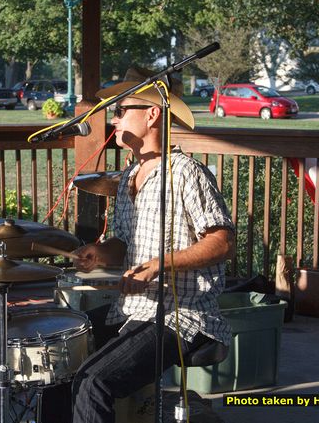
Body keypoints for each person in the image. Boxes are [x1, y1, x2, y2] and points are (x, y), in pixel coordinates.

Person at [71, 71, 235, 423]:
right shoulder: (130, 175)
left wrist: (160, 263)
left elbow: (223, 242)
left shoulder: (187, 173)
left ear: (152, 114)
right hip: (132, 307)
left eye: (120, 109)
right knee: (67, 339)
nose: (113, 119)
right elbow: (125, 243)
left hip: (182, 314)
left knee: (94, 381)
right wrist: (102, 252)